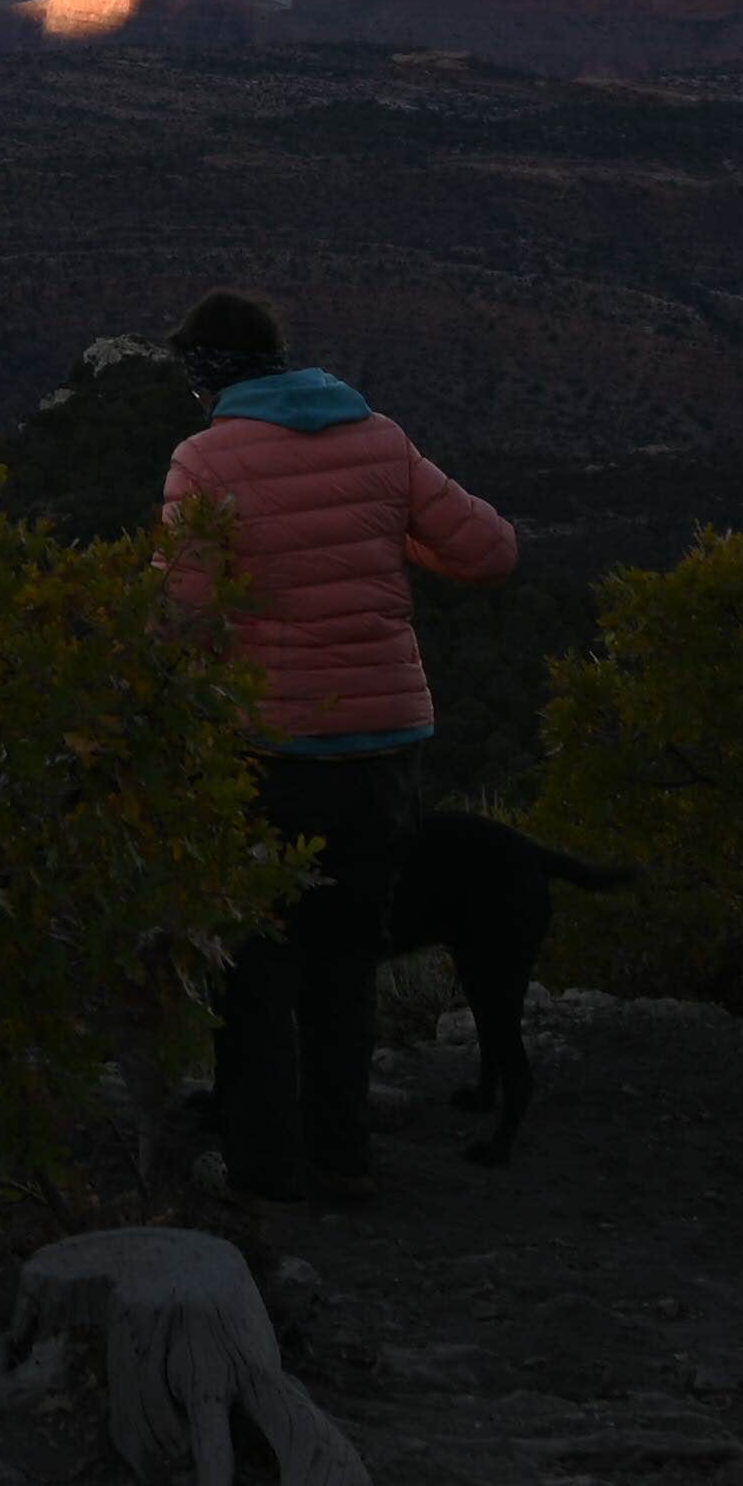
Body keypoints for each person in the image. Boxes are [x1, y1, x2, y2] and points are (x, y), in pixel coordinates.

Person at [157, 290, 517, 1201]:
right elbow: (490, 552)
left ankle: (268, 1171)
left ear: (205, 375)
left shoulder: (203, 462)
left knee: (254, 968)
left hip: (268, 753)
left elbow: (184, 620)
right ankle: (343, 1152)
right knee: (347, 962)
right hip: (383, 750)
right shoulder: (380, 438)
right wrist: (389, 539)